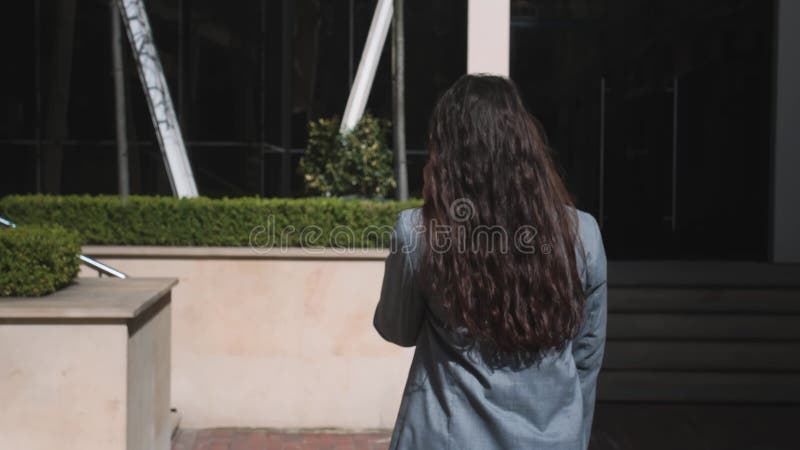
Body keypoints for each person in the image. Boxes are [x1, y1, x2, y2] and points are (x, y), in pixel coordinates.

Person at [374, 74, 607, 450]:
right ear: (525, 144)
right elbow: (586, 356)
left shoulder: (418, 232)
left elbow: (397, 329)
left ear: (447, 152)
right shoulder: (583, 234)